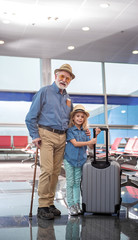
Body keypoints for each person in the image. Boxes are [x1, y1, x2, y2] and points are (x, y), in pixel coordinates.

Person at [25, 64, 76, 220]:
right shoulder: (45, 91)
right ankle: (42, 206)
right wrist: (35, 135)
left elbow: (71, 121)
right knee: (47, 170)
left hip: (62, 137)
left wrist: (84, 130)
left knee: (55, 172)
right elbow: (30, 117)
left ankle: (50, 202)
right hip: (46, 135)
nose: (64, 80)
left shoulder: (68, 99)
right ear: (56, 76)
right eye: (62, 76)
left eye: (67, 78)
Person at [63, 105, 100, 216]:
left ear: (84, 119)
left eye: (82, 117)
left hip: (80, 161)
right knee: (70, 182)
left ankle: (77, 203)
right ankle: (70, 205)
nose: (80, 118)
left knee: (77, 183)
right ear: (73, 118)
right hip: (69, 160)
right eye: (77, 116)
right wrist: (89, 142)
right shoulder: (70, 130)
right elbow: (75, 143)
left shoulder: (85, 132)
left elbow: (91, 147)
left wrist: (95, 135)